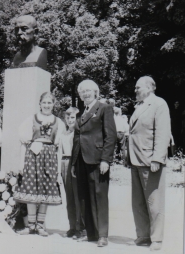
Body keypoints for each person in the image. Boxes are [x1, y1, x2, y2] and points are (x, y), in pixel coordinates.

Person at [71, 80, 117, 247]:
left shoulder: (104, 109)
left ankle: (102, 235)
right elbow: (77, 139)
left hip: (97, 159)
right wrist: (73, 163)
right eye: (82, 91)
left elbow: (110, 136)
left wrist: (106, 159)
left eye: (89, 91)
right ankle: (91, 233)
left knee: (99, 196)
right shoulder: (80, 113)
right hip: (81, 160)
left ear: (96, 92)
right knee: (84, 196)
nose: (85, 93)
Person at [127, 76, 171, 251]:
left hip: (150, 160)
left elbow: (163, 133)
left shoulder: (159, 104)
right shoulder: (139, 107)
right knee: (138, 202)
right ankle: (143, 235)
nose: (135, 91)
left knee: (154, 202)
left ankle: (157, 238)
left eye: (138, 88)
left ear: (150, 88)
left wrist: (157, 158)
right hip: (135, 159)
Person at [14, 92, 65, 236]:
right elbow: (24, 141)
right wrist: (21, 163)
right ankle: (30, 225)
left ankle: (40, 225)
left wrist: (58, 170)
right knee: (31, 189)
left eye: (49, 103)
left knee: (45, 189)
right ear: (40, 104)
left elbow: (59, 146)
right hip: (33, 156)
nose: (47, 105)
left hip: (49, 158)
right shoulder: (32, 119)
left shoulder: (58, 122)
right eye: (44, 103)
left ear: (53, 104)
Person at [58, 107, 85, 239]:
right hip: (65, 163)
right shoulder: (63, 134)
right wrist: (58, 171)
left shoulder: (79, 133)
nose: (70, 120)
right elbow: (59, 152)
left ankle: (80, 227)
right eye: (67, 117)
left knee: (77, 195)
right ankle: (72, 226)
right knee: (69, 196)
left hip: (75, 164)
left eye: (72, 117)